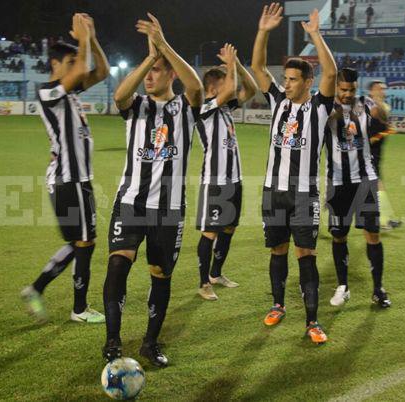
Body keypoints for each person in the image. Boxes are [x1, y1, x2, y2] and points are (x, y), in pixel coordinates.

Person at [102, 12, 204, 367]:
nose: (149, 78)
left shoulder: (184, 109)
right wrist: (149, 57)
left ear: (171, 73)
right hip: (130, 202)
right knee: (117, 267)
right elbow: (119, 95)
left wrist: (164, 47)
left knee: (160, 275)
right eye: (149, 72)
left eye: (157, 71)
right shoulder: (138, 107)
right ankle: (113, 342)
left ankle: (150, 342)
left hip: (168, 209)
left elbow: (197, 89)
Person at [251, 3, 336, 344]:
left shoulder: (318, 107)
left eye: (292, 79)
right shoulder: (277, 102)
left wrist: (315, 35)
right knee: (277, 251)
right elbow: (257, 66)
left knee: (306, 254)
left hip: (303, 194)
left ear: (307, 81)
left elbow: (330, 74)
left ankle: (312, 322)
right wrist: (263, 31)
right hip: (273, 191)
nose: (285, 84)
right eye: (284, 79)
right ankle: (277, 304)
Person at [21, 13, 109, 324]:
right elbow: (83, 70)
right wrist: (82, 37)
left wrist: (92, 38)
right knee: (85, 242)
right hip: (69, 180)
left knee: (78, 242)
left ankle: (36, 288)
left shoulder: (69, 93)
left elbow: (102, 70)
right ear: (57, 64)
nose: (76, 68)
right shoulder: (49, 92)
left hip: (74, 179)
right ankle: (80, 309)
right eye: (70, 63)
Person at [194, 44, 258, 301]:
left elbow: (251, 89)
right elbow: (232, 88)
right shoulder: (204, 109)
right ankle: (202, 283)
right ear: (212, 89)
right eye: (222, 84)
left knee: (229, 228)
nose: (228, 87)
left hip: (234, 179)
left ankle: (215, 274)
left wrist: (237, 64)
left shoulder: (226, 109)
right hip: (215, 181)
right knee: (210, 232)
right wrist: (230, 65)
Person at [324, 68, 391, 308]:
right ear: (335, 88)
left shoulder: (364, 104)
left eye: (351, 89)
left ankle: (378, 288)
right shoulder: (325, 108)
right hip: (338, 182)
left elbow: (382, 116)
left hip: (365, 179)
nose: (348, 94)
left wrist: (379, 102)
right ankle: (343, 286)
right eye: (343, 89)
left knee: (373, 235)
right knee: (339, 235)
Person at [367, 80, 400, 230]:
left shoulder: (384, 107)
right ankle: (383, 221)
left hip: (377, 151)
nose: (383, 91)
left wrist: (386, 131)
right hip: (368, 152)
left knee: (375, 186)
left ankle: (383, 220)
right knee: (377, 186)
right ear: (372, 90)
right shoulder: (365, 107)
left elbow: (384, 127)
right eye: (380, 89)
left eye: (384, 89)